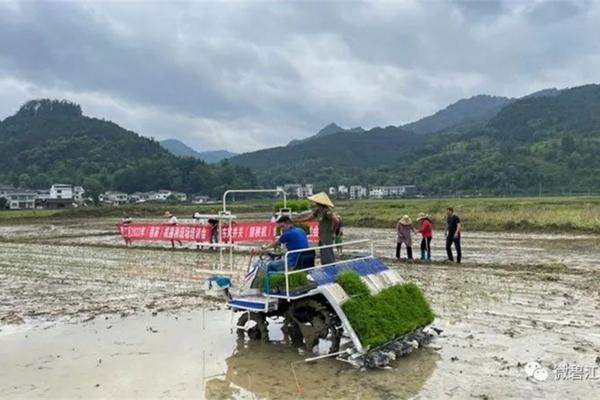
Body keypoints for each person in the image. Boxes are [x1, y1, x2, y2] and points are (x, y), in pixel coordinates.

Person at [252, 216, 313, 289]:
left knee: (270, 265)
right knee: (278, 263)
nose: (282, 229)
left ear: (287, 223)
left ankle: (268, 288)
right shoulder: (301, 230)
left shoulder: (288, 233)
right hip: (304, 259)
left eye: (283, 227)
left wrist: (265, 247)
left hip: (293, 261)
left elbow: (275, 243)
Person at [295, 192, 340, 265]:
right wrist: (299, 220)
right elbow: (311, 217)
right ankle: (325, 267)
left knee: (327, 254)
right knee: (323, 253)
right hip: (322, 235)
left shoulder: (327, 211)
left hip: (327, 235)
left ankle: (330, 269)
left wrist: (333, 232)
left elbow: (336, 221)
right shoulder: (319, 210)